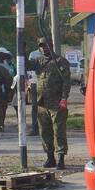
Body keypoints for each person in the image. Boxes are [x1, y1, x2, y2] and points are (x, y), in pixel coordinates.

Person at [35, 38, 70, 169]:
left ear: (51, 46)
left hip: (56, 102)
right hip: (42, 103)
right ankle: (50, 158)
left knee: (58, 131)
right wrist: (22, 49)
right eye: (41, 46)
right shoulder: (38, 62)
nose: (44, 48)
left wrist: (64, 98)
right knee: (45, 131)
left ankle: (61, 158)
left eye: (46, 46)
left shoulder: (60, 61)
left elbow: (66, 82)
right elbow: (25, 64)